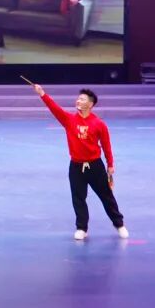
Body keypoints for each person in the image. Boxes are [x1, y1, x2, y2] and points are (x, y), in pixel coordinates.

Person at [33, 83, 128, 240]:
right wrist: (42, 93)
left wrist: (110, 164)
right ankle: (82, 228)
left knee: (106, 196)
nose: (78, 101)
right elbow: (54, 108)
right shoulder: (68, 119)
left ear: (90, 104)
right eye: (78, 98)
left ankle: (119, 224)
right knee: (78, 198)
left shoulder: (99, 124)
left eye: (82, 99)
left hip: (95, 166)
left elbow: (106, 145)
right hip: (76, 166)